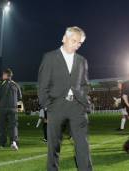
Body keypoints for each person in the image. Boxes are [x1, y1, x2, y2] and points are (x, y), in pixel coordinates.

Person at [38, 26, 93, 171]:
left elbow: (85, 84)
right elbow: (42, 86)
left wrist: (83, 101)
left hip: (77, 107)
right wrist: (48, 107)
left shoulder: (82, 61)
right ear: (64, 38)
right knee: (54, 147)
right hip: (56, 107)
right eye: (74, 41)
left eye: (79, 43)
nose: (77, 45)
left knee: (83, 145)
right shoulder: (49, 57)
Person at [0, 68, 22, 150]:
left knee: (2, 126)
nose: (2, 76)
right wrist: (19, 108)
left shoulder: (1, 84)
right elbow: (20, 98)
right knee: (13, 126)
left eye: (3, 74)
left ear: (6, 75)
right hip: (13, 108)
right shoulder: (16, 84)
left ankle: (2, 143)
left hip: (3, 108)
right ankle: (14, 142)